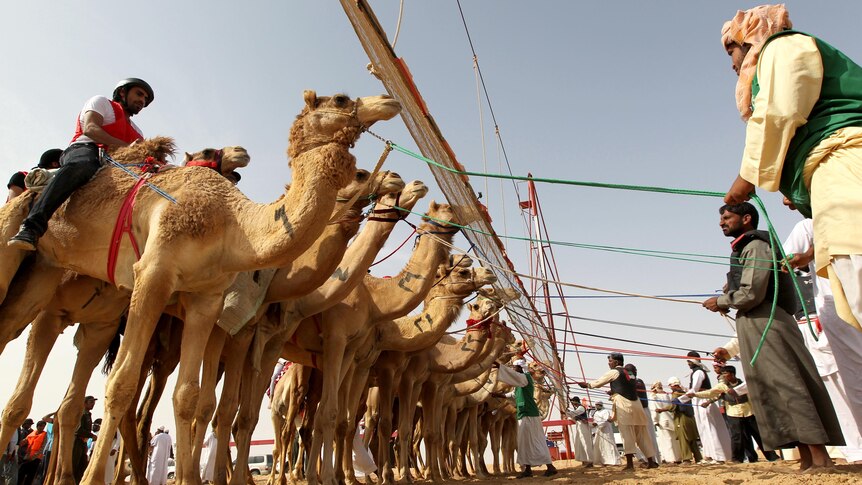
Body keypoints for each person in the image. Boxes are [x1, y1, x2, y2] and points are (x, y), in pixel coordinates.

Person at [720, 4, 862, 333]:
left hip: (847, 163)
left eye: (732, 49)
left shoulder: (782, 46)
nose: (731, 64)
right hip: (835, 172)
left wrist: (747, 177)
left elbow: (778, 112)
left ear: (748, 36)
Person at [704, 202, 844, 471]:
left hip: (766, 321)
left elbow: (752, 293)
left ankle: (821, 458)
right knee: (773, 389)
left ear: (746, 219)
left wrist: (722, 300)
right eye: (720, 217)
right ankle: (805, 458)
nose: (722, 222)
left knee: (789, 384)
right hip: (754, 323)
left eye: (727, 217)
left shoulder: (756, 246)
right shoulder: (745, 248)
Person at [8, 78, 153, 250]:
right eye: (139, 94)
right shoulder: (102, 103)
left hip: (115, 165)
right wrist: (127, 147)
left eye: (145, 99)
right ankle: (32, 227)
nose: (142, 101)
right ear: (122, 92)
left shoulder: (138, 132)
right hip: (86, 148)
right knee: (83, 166)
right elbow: (90, 128)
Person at [783, 200, 862, 463]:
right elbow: (784, 261)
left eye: (789, 193)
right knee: (845, 381)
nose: (786, 202)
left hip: (841, 303)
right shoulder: (807, 226)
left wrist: (809, 255)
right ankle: (856, 448)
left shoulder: (814, 224)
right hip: (835, 304)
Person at [576, 353, 658, 470]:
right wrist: (614, 390)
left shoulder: (614, 372)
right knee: (642, 435)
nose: (609, 363)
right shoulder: (630, 373)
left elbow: (598, 382)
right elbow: (629, 386)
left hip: (624, 405)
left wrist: (587, 385)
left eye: (610, 361)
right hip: (637, 404)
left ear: (616, 362)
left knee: (626, 434)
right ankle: (651, 461)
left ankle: (630, 464)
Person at [689, 366, 779, 463]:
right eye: (722, 374)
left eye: (725, 374)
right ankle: (737, 459)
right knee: (737, 437)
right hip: (733, 413)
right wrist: (696, 394)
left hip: (748, 412)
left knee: (758, 434)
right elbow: (711, 393)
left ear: (732, 374)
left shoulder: (743, 384)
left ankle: (771, 456)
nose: (723, 376)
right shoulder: (722, 386)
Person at [496, 359, 558, 478]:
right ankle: (528, 469)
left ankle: (550, 467)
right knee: (524, 442)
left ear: (520, 368)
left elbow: (513, 376)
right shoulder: (520, 383)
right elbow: (513, 395)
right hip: (523, 414)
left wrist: (501, 367)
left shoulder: (525, 378)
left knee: (535, 440)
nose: (514, 370)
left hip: (529, 414)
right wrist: (498, 395)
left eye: (515, 368)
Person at [677, 352, 732, 464]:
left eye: (689, 361)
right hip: (697, 400)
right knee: (703, 429)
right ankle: (710, 456)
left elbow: (695, 390)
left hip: (703, 400)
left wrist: (680, 400)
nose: (688, 364)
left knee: (709, 428)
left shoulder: (698, 373)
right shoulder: (695, 372)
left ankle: (719, 457)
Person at [656, 377, 702, 464]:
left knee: (683, 438)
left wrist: (661, 410)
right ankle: (698, 457)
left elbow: (673, 406)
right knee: (692, 439)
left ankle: (686, 459)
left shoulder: (676, 394)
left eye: (670, 385)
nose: (670, 387)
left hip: (681, 418)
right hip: (691, 418)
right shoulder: (685, 392)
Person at [624, 363, 661, 464]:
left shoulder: (637, 382)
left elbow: (632, 388)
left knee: (648, 436)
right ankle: (646, 459)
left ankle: (653, 460)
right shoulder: (632, 382)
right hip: (637, 412)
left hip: (642, 411)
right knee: (638, 436)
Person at [649, 381, 681, 464]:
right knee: (674, 439)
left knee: (666, 440)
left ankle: (670, 459)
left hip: (661, 420)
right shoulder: (667, 395)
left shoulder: (654, 396)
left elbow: (654, 410)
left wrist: (655, 421)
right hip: (671, 419)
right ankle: (678, 457)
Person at [73, 396, 96, 484]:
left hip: (83, 442)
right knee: (74, 464)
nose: (93, 404)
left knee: (82, 465)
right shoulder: (81, 413)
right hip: (77, 442)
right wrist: (91, 435)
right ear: (84, 403)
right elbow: (78, 429)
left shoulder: (88, 414)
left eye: (93, 402)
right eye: (91, 402)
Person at [565, 396, 594, 467]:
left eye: (573, 402)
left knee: (585, 443)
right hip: (579, 425)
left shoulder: (581, 408)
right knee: (580, 443)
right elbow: (574, 417)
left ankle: (590, 460)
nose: (572, 403)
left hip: (583, 426)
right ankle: (584, 460)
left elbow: (575, 413)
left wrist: (567, 412)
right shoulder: (577, 408)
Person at [17, 421, 47, 485]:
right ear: (37, 426)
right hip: (27, 456)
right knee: (21, 473)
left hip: (36, 459)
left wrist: (33, 457)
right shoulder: (33, 433)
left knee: (30, 476)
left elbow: (43, 447)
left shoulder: (45, 435)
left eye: (43, 426)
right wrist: (20, 442)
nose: (42, 428)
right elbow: (25, 440)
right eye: (41, 426)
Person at [590, 401, 619, 466]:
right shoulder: (596, 413)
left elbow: (605, 421)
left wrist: (597, 424)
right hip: (599, 431)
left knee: (609, 445)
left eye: (598, 405)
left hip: (606, 431)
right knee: (599, 445)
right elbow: (595, 421)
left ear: (601, 405)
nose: (596, 406)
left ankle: (612, 461)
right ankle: (602, 461)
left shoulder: (605, 411)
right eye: (596, 405)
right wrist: (594, 424)